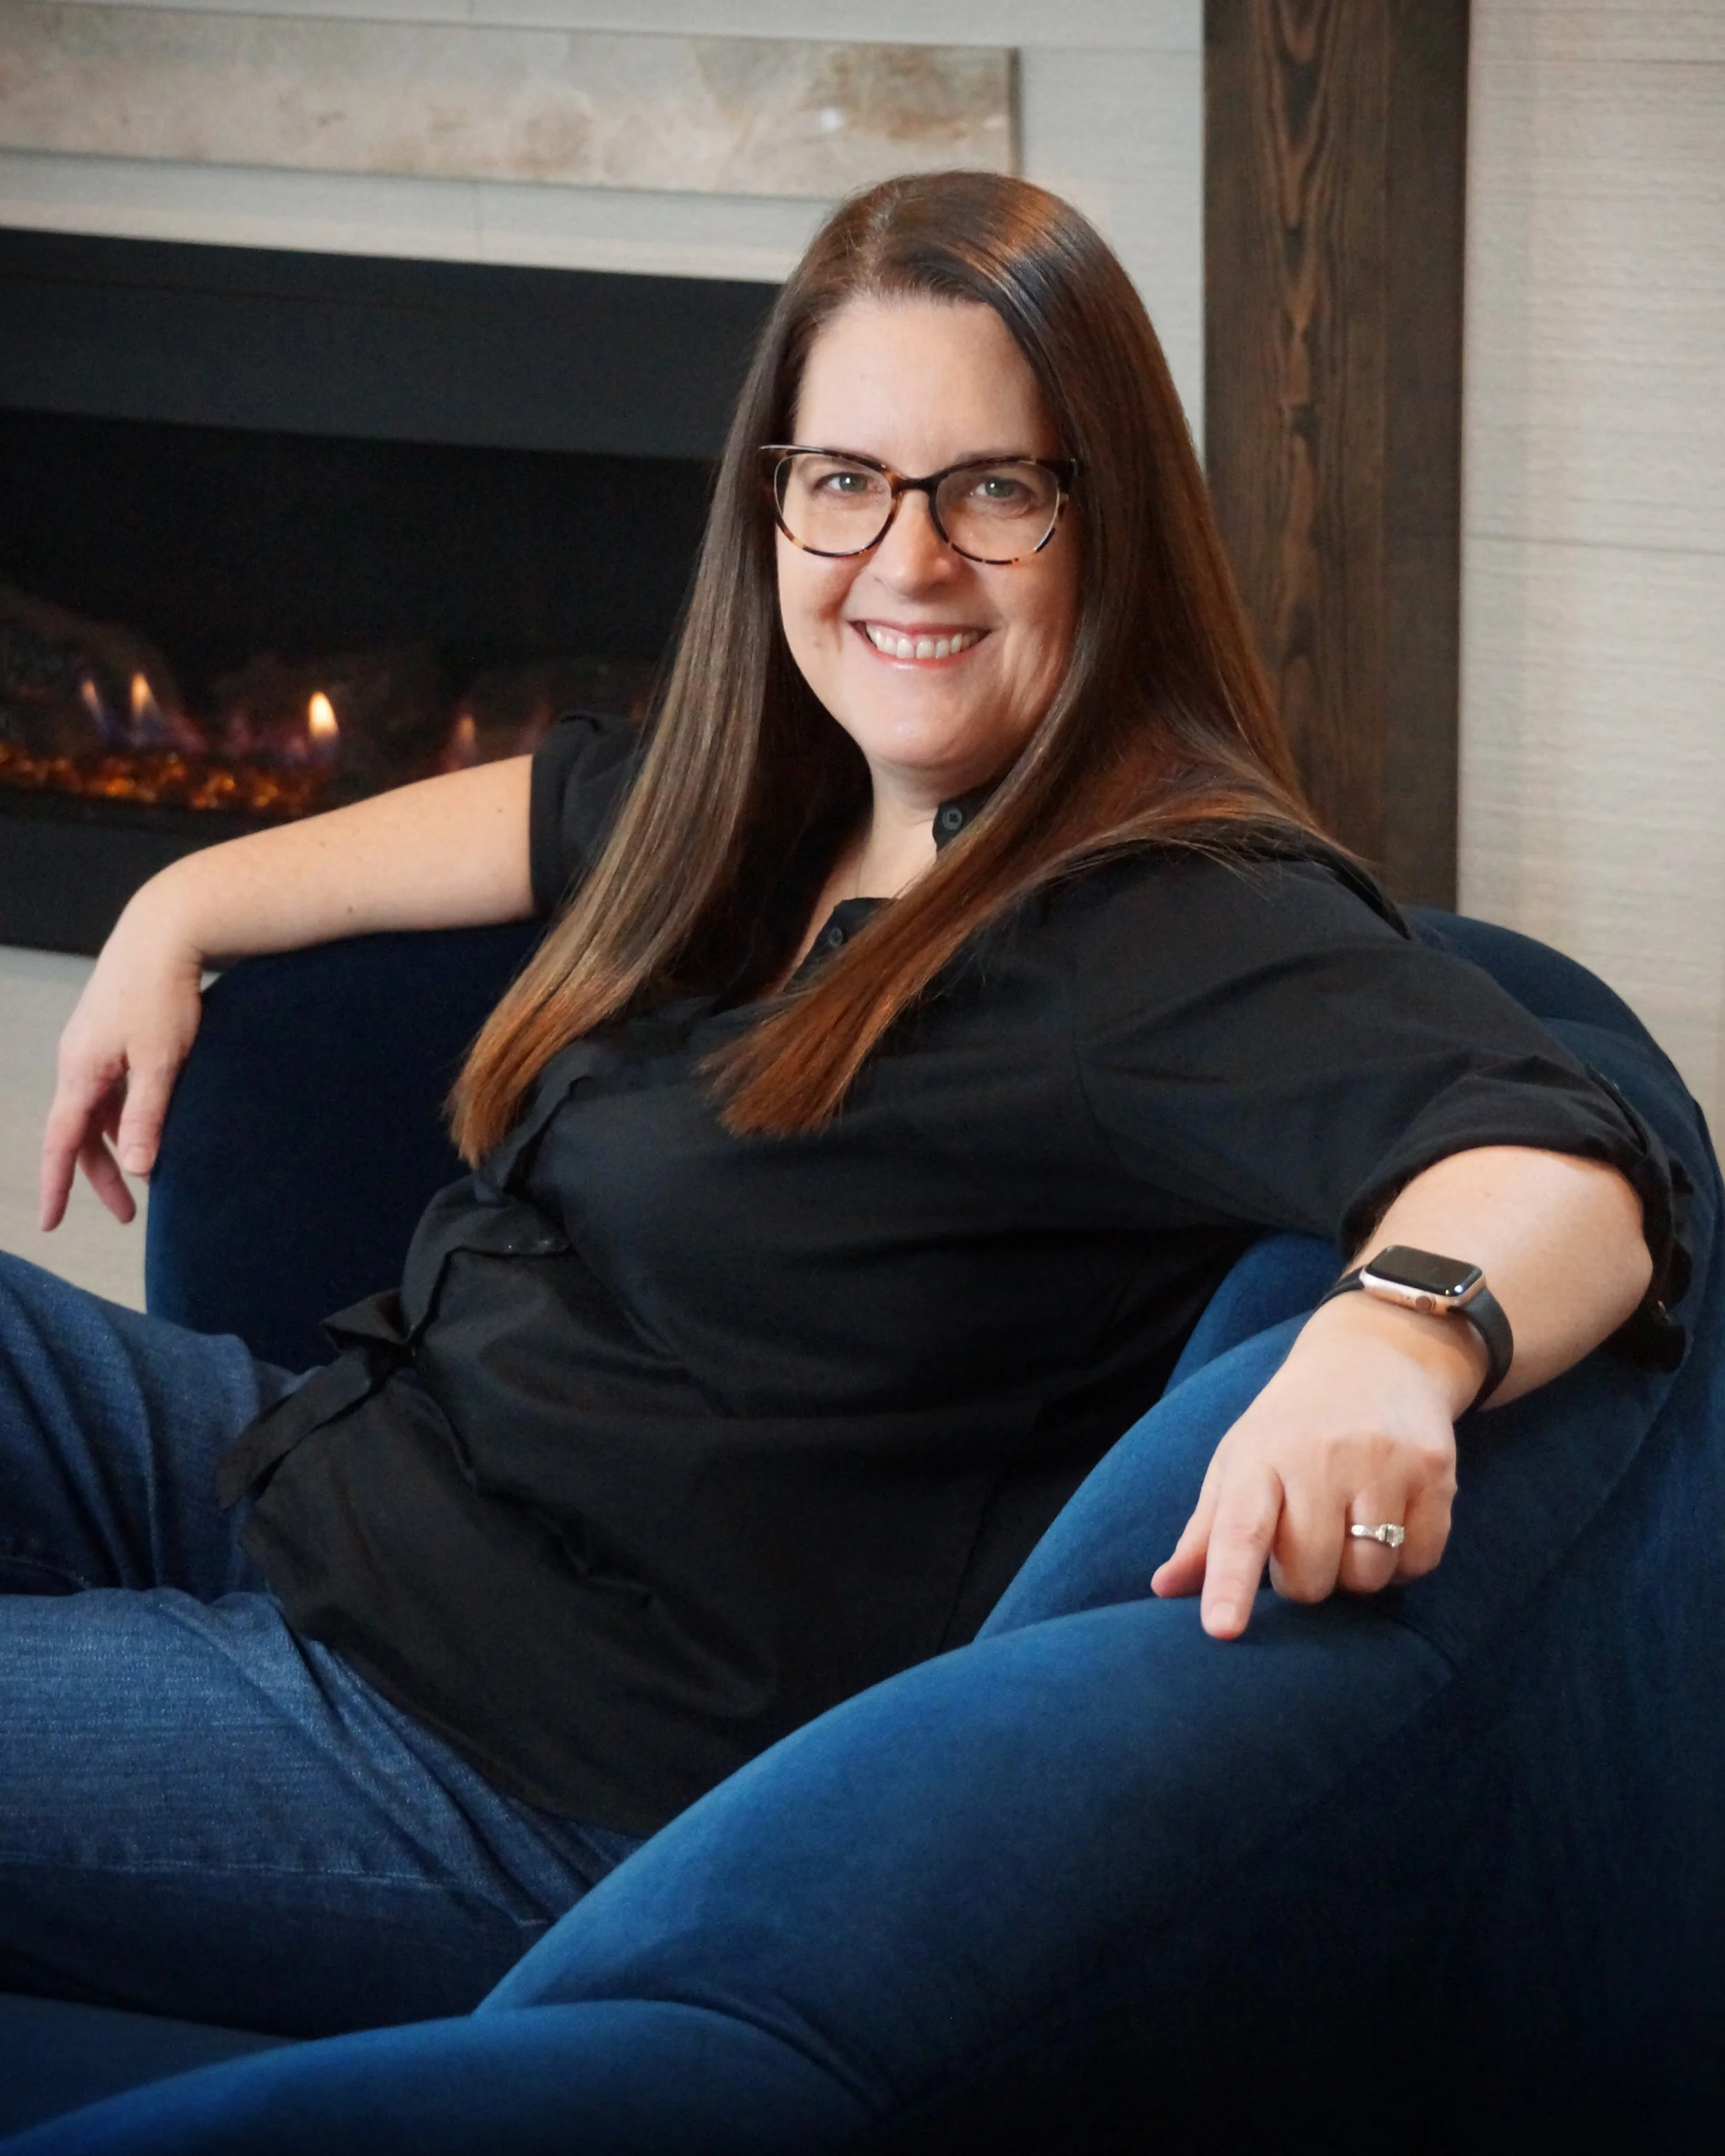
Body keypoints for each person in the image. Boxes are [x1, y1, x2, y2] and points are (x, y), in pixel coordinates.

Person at [6, 172, 1676, 2040]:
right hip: (330, 1469)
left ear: (1102, 523)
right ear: (775, 496)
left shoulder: (1146, 917)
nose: (905, 560)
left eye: (992, 488)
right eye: (844, 480)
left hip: (511, 1761)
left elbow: (1568, 1140)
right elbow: (545, 808)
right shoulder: (794, 782)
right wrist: (178, 906)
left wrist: (1395, 1340)